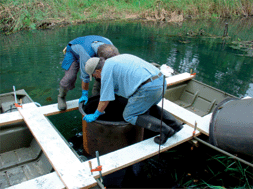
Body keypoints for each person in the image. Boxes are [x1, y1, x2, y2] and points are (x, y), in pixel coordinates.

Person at [83, 54, 183, 145]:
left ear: (97, 71)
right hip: (161, 82)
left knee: (128, 115)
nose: (96, 78)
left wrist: (96, 114)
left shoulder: (105, 72)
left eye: (94, 76)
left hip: (148, 88)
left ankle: (165, 130)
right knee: (147, 106)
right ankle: (175, 125)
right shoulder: (115, 60)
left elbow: (104, 100)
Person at [58, 35, 119, 111]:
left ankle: (96, 94)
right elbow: (85, 75)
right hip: (74, 51)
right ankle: (61, 96)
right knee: (70, 77)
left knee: (101, 71)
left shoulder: (110, 47)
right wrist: (84, 93)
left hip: (91, 45)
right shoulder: (87, 55)